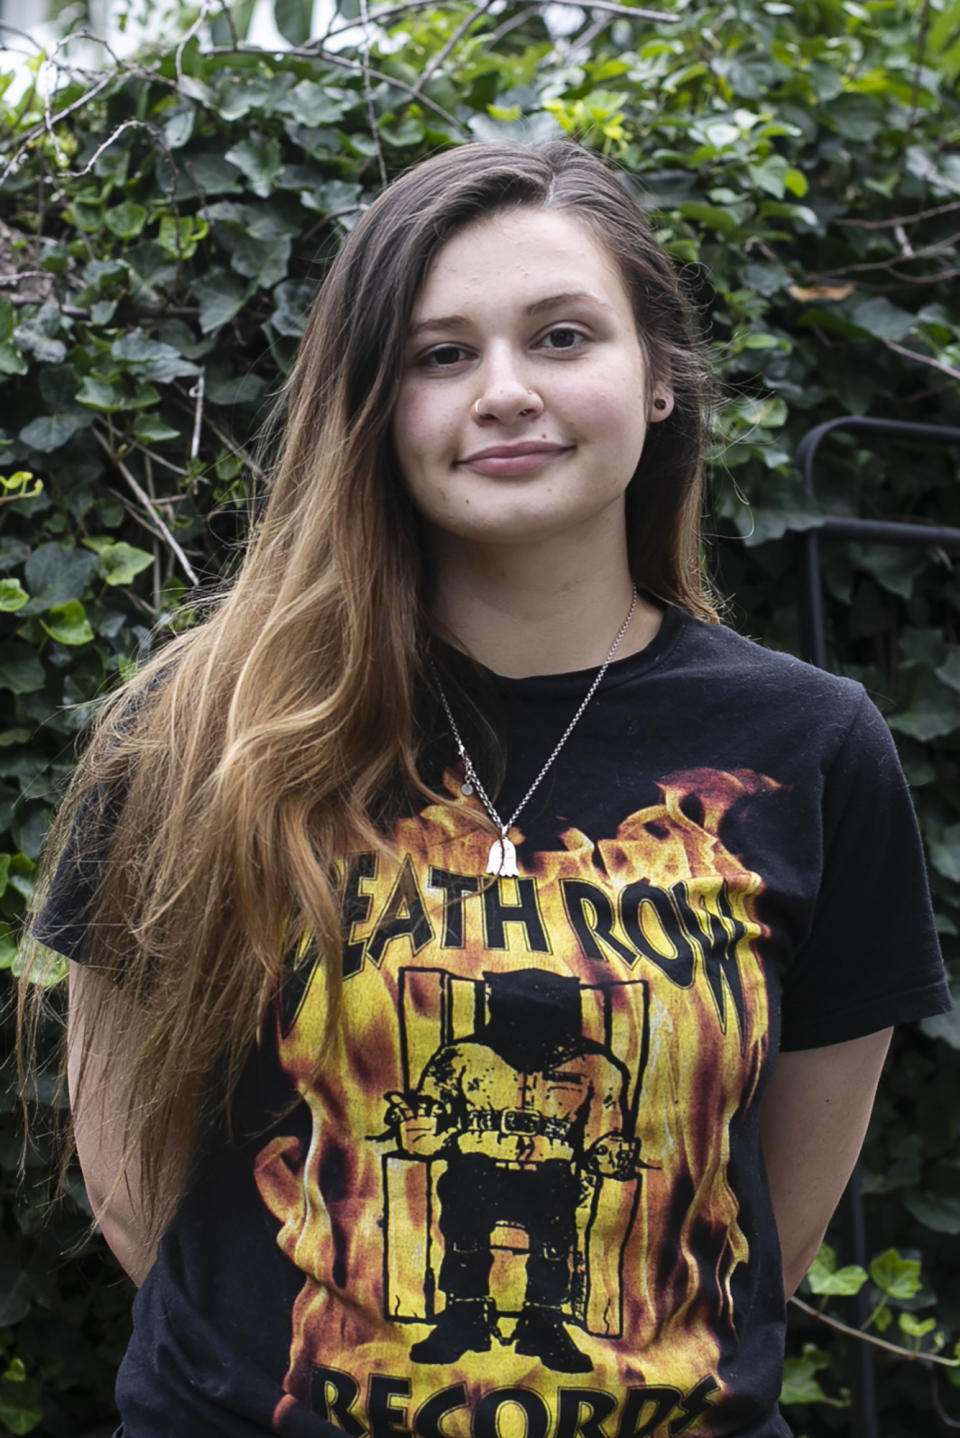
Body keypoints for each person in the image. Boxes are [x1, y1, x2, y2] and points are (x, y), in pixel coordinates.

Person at [22, 139, 950, 1438]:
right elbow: (126, 1169)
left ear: (661, 377)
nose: (505, 390)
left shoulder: (810, 745)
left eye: (562, 336)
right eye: (441, 354)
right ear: (371, 402)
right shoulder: (205, 727)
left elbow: (766, 1222)